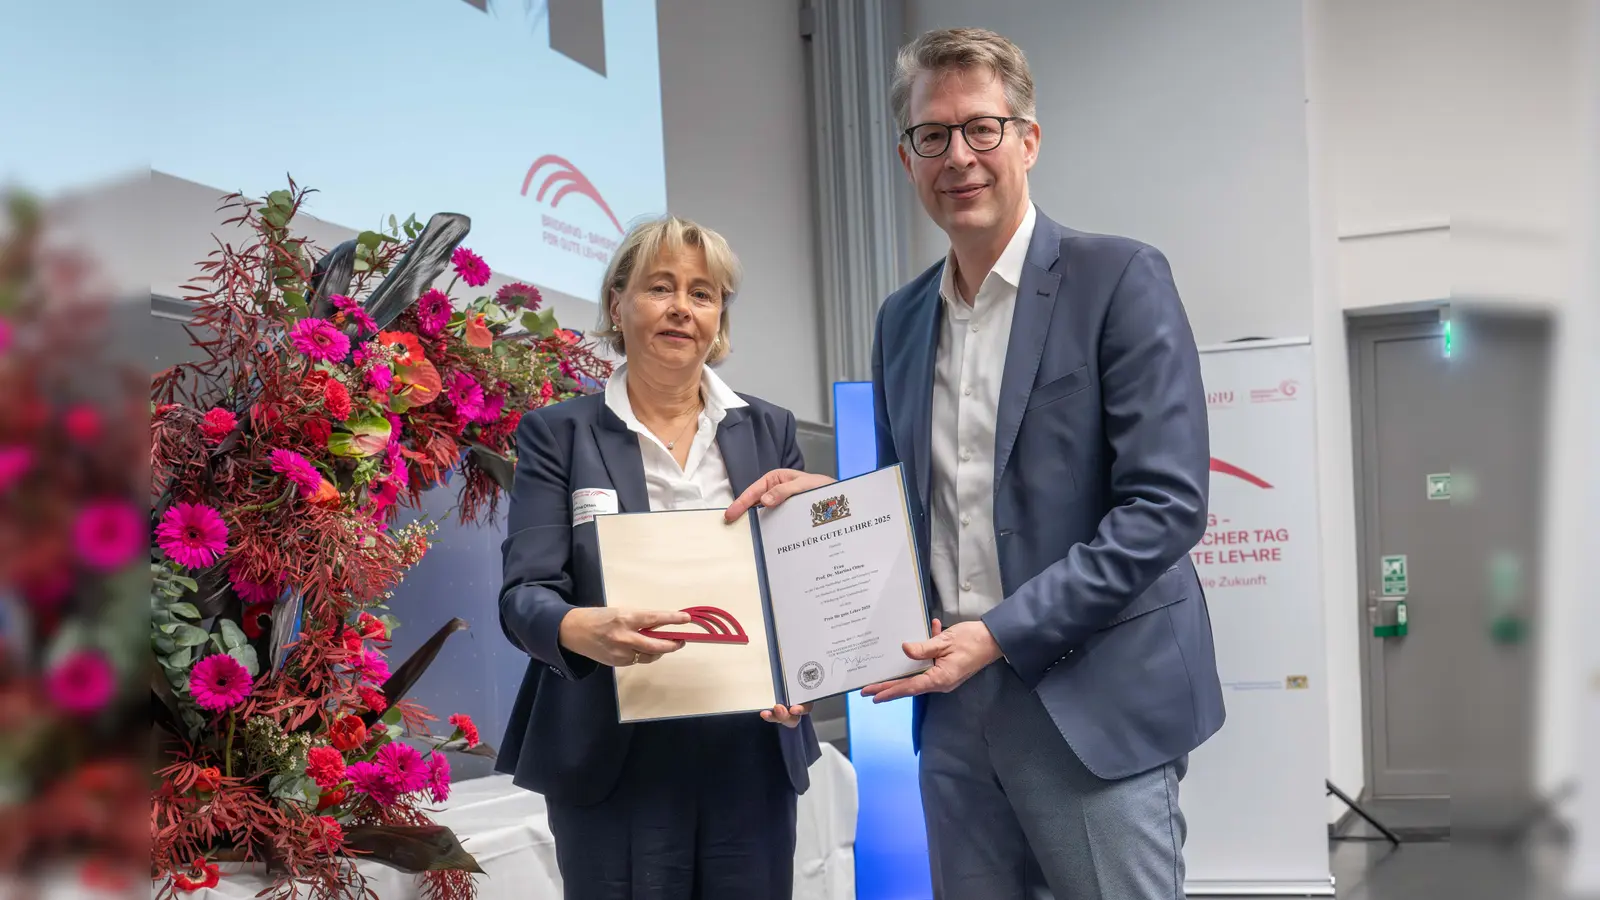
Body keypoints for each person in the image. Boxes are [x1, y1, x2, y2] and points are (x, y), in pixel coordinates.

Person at [728, 27, 1224, 900]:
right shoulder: (901, 318)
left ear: (1028, 139)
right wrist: (831, 510)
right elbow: (909, 512)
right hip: (953, 708)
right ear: (906, 157)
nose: (958, 156)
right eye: (933, 135)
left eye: (981, 128)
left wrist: (997, 635)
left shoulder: (1118, 279)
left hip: (1092, 699)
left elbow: (1165, 507)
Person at [496, 215, 819, 900]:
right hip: (611, 750)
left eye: (702, 294)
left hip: (750, 747)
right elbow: (525, 594)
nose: (681, 308)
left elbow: (800, 588)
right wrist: (579, 628)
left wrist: (809, 667)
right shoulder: (558, 433)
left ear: (719, 317)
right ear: (618, 303)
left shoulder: (770, 428)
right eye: (660, 287)